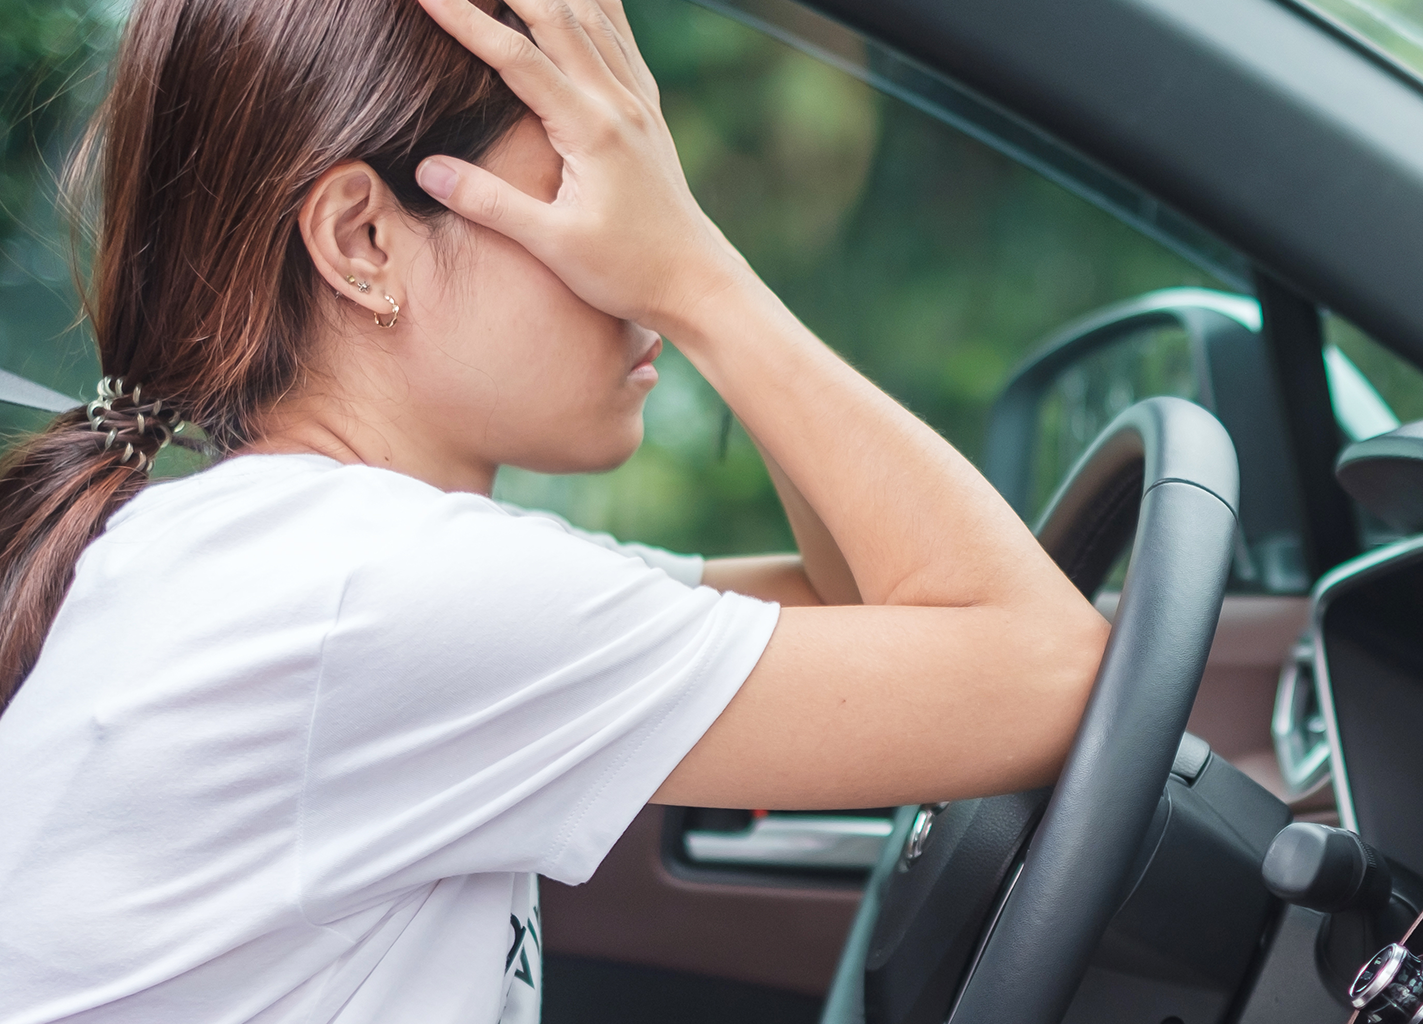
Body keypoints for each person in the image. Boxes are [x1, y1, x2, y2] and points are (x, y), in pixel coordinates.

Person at [0, 0, 1109, 1021]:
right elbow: (1050, 674)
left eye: (648, 204)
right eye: (586, 191)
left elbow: (858, 597)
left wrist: (681, 254)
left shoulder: (310, 562)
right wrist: (698, 279)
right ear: (363, 242)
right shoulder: (376, 594)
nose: (636, 251)